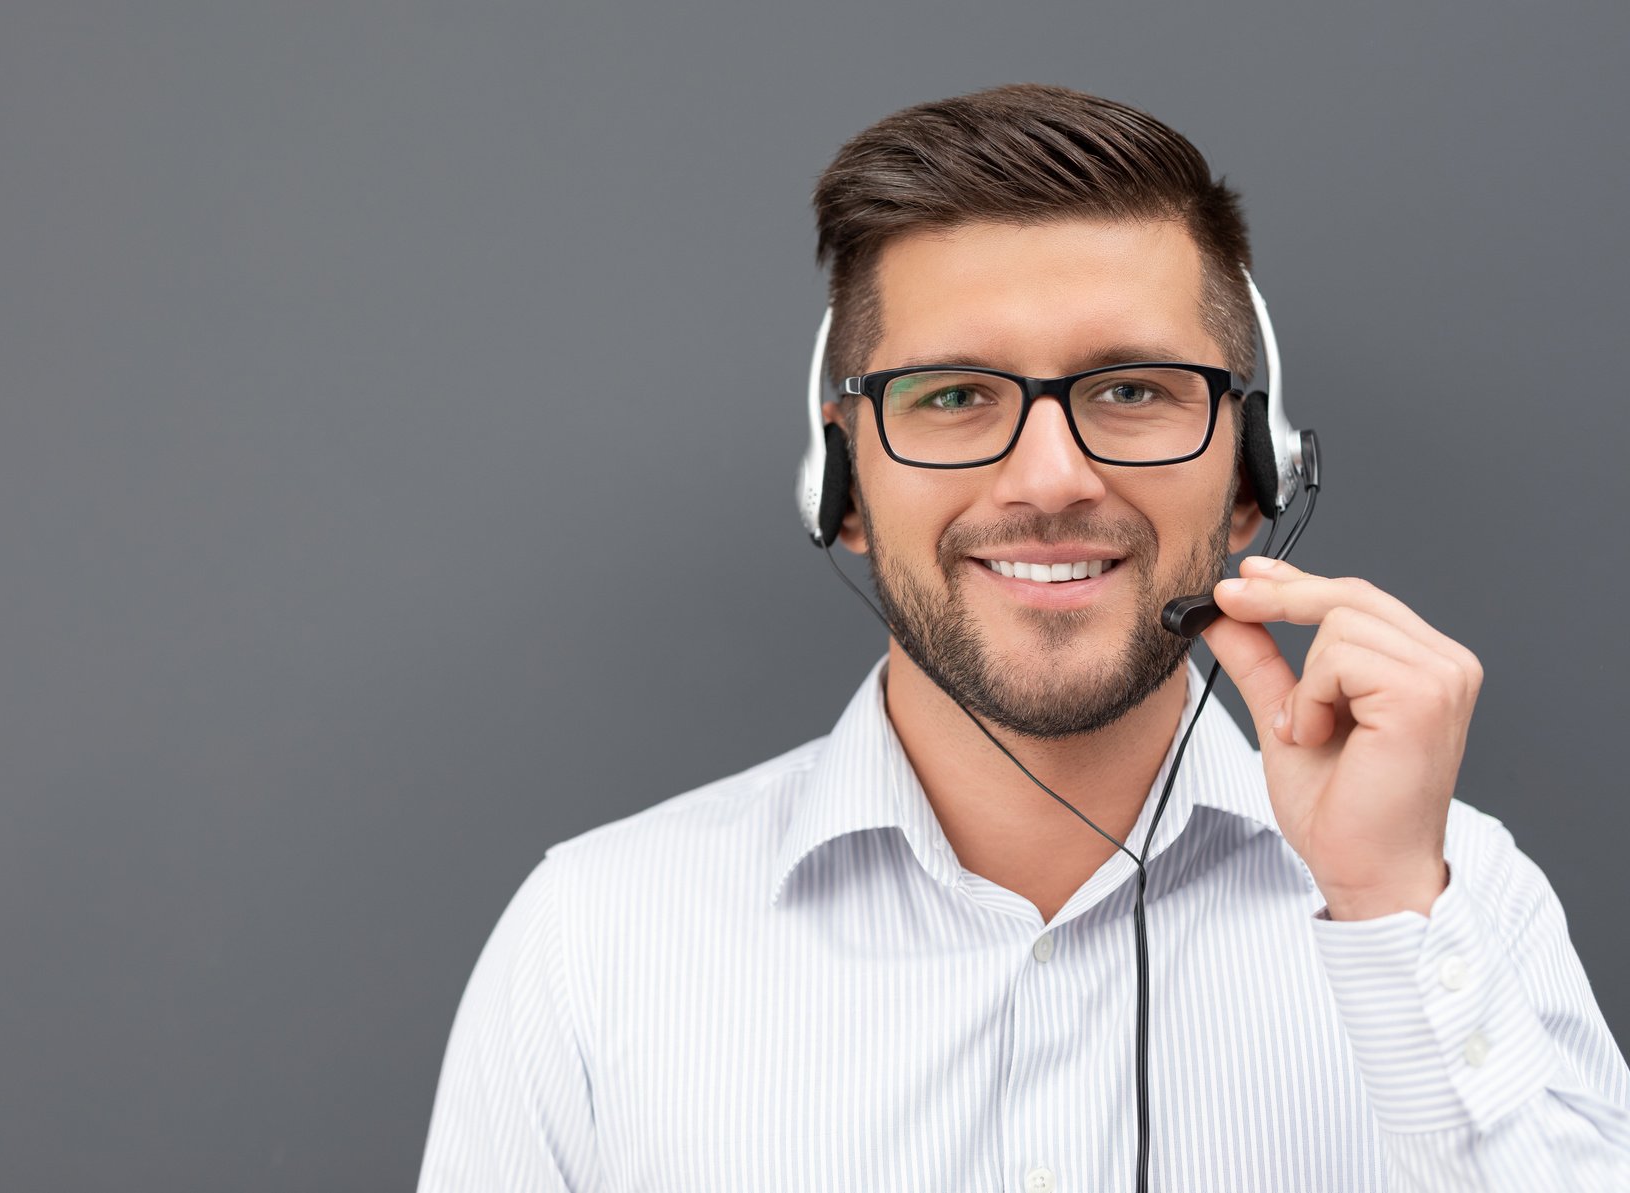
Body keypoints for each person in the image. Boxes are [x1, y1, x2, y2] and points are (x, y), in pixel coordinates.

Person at [416, 85, 1630, 1191]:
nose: (1050, 479)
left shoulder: (1462, 902)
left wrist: (1388, 917)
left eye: (1133, 390)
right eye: (952, 396)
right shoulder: (591, 938)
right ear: (839, 486)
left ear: (1257, 475)